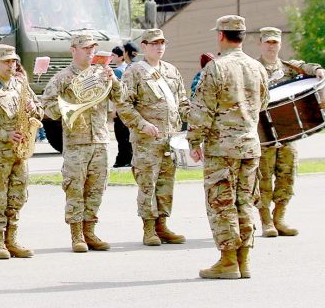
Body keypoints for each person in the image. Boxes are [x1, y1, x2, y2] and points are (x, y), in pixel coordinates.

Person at [188, 15, 268, 280]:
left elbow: (202, 109)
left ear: (221, 35)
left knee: (222, 204)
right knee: (244, 202)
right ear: (242, 36)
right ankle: (244, 261)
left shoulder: (216, 68)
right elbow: (264, 104)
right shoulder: (257, 67)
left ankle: (227, 261)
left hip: (222, 149)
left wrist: (193, 140)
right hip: (249, 147)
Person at [42, 33, 124, 253]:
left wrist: (113, 79)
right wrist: (70, 103)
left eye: (93, 49)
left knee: (97, 188)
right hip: (76, 142)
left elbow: (121, 97)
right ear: (73, 50)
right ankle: (76, 234)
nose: (90, 52)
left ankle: (90, 231)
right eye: (86, 48)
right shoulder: (62, 78)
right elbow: (47, 107)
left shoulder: (100, 74)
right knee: (75, 188)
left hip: (100, 140)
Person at [117, 29, 190, 246]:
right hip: (146, 140)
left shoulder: (171, 71)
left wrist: (195, 118)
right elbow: (123, 104)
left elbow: (182, 102)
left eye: (162, 43)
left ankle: (162, 225)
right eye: (154, 43)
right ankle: (148, 228)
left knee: (166, 184)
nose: (159, 47)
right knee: (147, 184)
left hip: (170, 139)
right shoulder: (135, 72)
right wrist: (142, 124)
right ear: (144, 45)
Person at [0, 45, 43, 259]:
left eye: (13, 61)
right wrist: (4, 134)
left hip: (20, 151)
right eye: (6, 61)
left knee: (17, 196)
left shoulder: (21, 83)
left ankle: (12, 240)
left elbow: (40, 109)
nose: (11, 65)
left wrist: (34, 108)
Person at [255, 27, 325, 238]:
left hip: (288, 131)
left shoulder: (289, 67)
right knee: (263, 177)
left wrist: (318, 69)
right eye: (267, 42)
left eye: (275, 42)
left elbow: (308, 67)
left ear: (280, 44)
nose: (271, 46)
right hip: (263, 133)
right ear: (260, 43)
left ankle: (280, 217)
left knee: (287, 175)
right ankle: (266, 219)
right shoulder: (253, 68)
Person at [112, 42, 138, 167]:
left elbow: (121, 93)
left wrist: (115, 109)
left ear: (126, 53)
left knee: (122, 136)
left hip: (125, 108)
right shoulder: (140, 66)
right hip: (137, 108)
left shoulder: (127, 69)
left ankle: (124, 160)